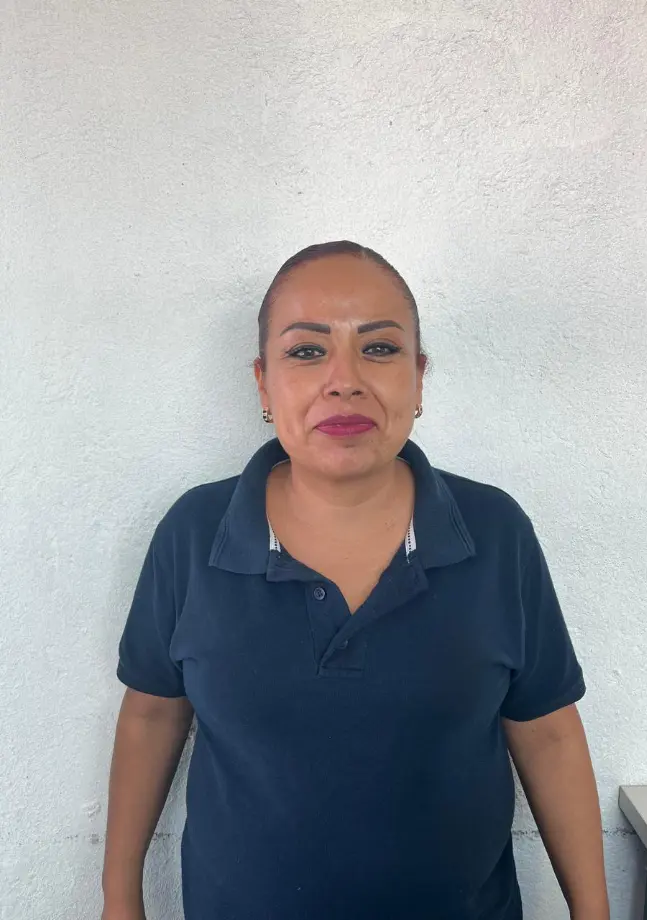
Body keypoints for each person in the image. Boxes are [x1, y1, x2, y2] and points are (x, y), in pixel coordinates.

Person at [102, 241, 609, 920]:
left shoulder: (495, 533)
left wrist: (594, 911)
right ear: (263, 383)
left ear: (418, 379)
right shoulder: (195, 534)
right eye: (307, 351)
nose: (344, 380)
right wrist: (119, 901)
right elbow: (151, 715)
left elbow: (547, 731)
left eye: (379, 348)